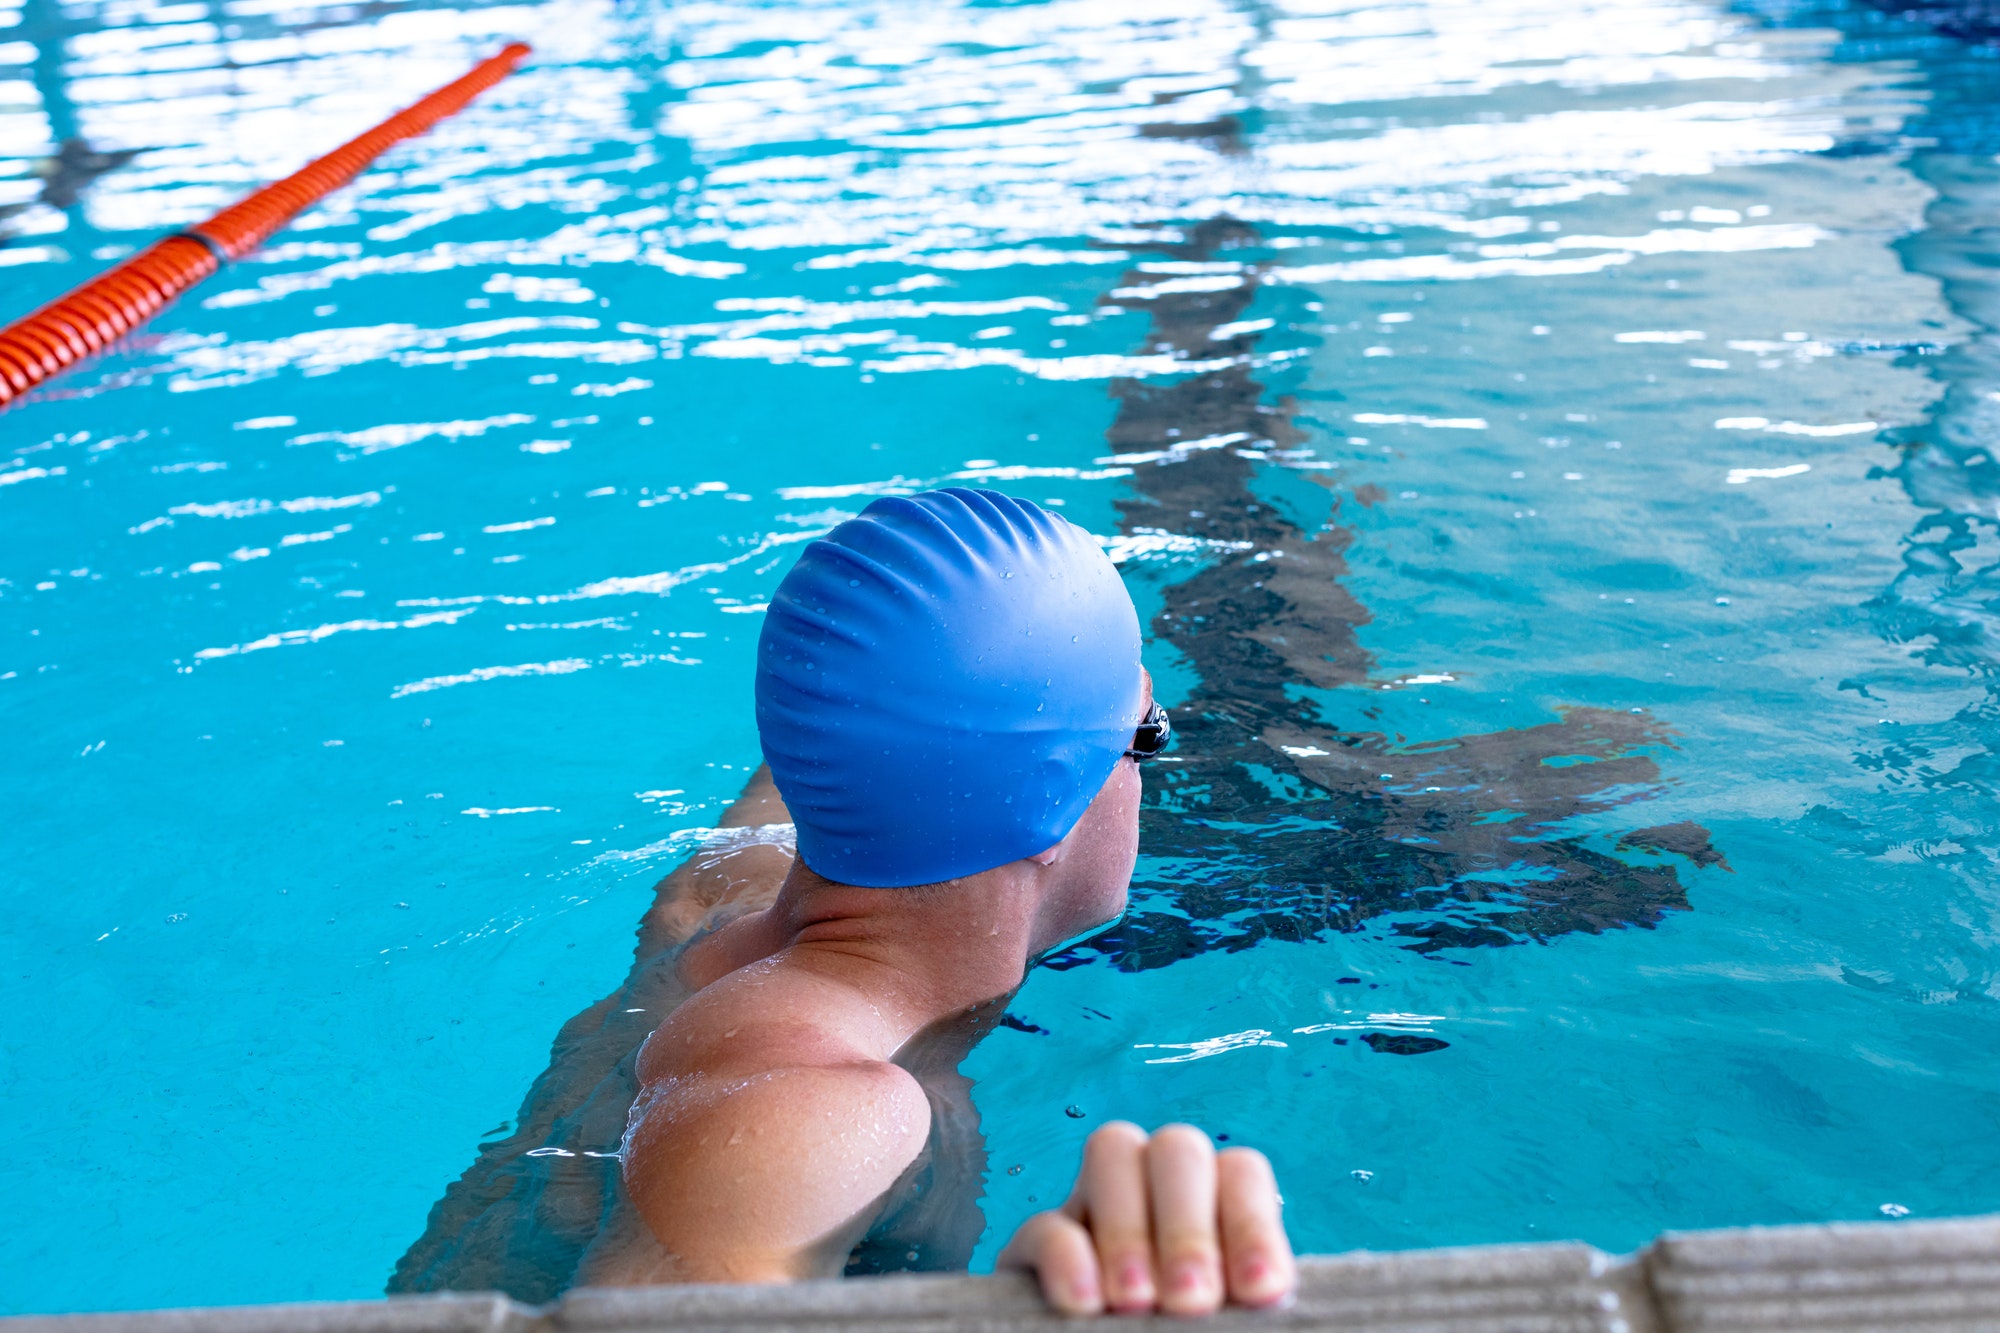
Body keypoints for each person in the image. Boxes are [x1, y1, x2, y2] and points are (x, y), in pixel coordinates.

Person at [576, 488, 1297, 1315]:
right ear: (1046, 803)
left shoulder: (728, 887)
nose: (1149, 771)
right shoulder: (809, 1115)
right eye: (1147, 735)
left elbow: (851, 700)